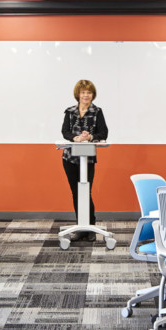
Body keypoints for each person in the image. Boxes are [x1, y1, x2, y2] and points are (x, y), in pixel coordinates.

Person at [60, 79, 108, 228]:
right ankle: (80, 226)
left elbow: (103, 132)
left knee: (85, 192)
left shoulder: (97, 112)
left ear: (93, 95)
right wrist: (75, 138)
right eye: (83, 92)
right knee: (75, 192)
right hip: (69, 158)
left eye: (89, 92)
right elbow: (65, 132)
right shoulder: (69, 112)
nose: (86, 95)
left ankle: (90, 226)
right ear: (78, 94)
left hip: (87, 158)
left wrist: (89, 137)